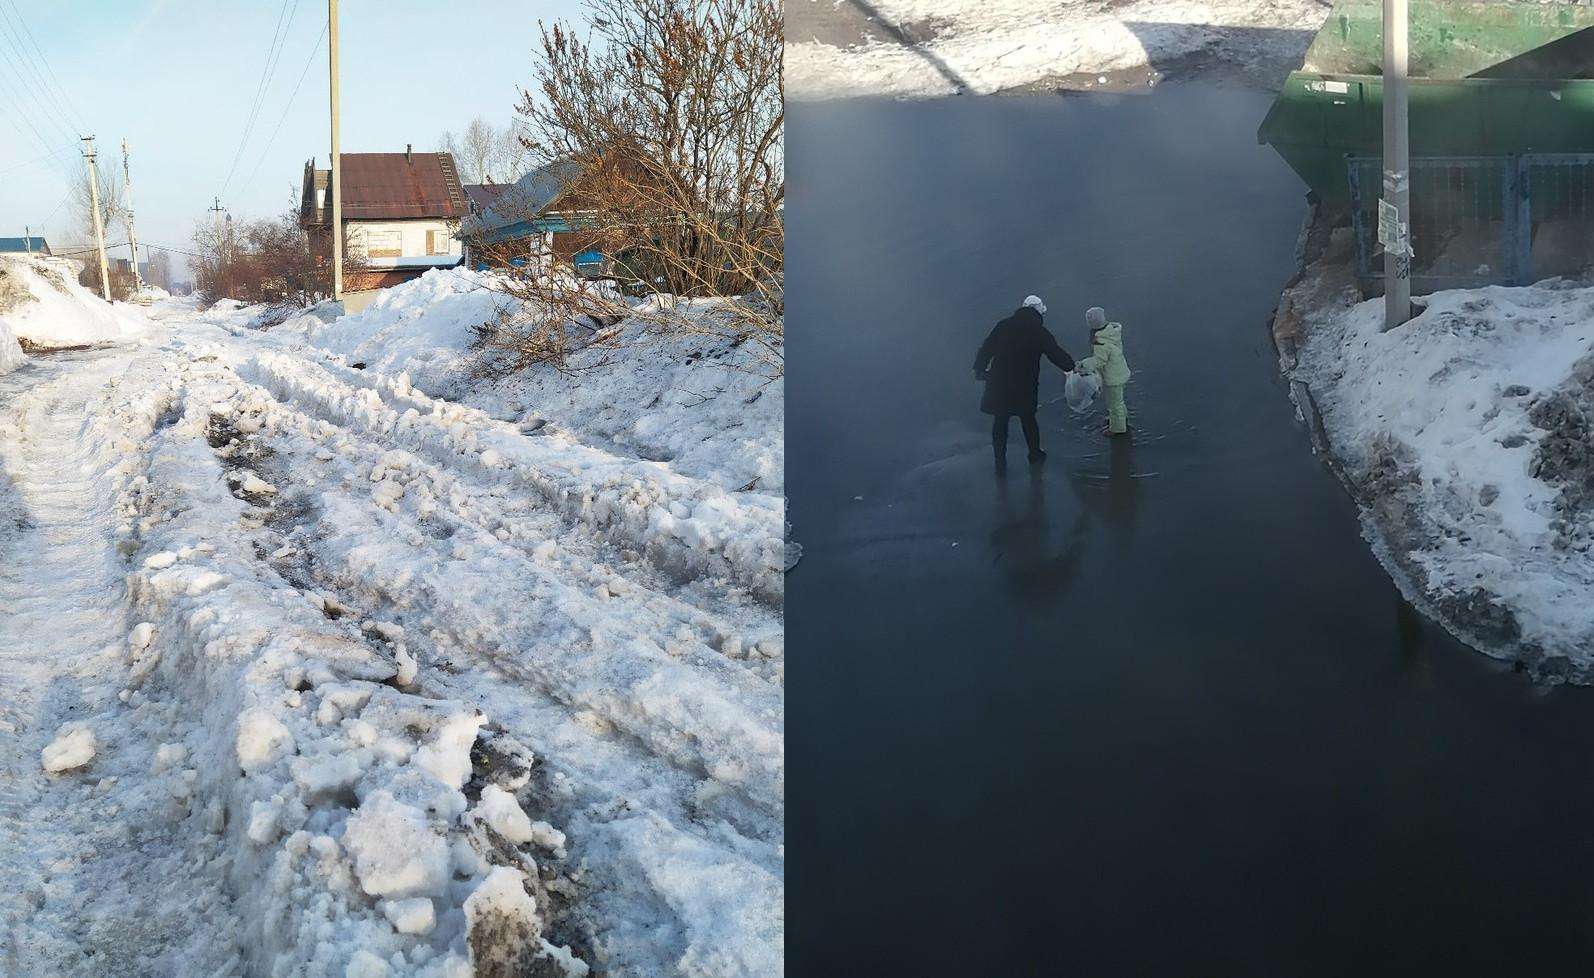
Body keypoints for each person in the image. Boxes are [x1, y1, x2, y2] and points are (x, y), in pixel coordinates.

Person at [973, 295, 1075, 469]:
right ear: (1038, 311)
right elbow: (1054, 353)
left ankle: (999, 459)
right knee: (1028, 419)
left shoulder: (1004, 325)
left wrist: (979, 369)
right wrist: (1071, 367)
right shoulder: (1038, 331)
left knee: (1000, 419)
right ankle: (1034, 453)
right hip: (1024, 383)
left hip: (999, 380)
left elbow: (987, 347)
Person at [1077, 306, 1132, 436]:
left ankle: (1118, 428)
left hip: (1113, 377)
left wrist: (1083, 365)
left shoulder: (1101, 342)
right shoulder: (1111, 333)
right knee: (1118, 400)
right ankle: (1120, 419)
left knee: (1114, 404)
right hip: (1119, 371)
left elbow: (1099, 360)